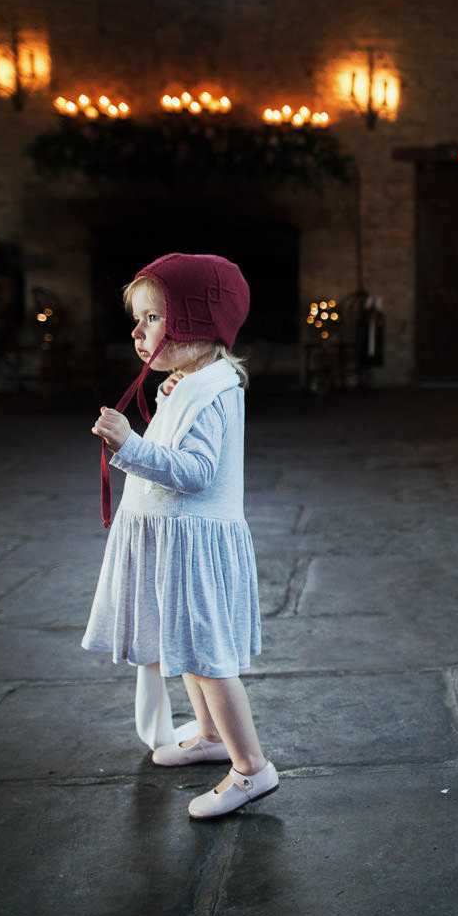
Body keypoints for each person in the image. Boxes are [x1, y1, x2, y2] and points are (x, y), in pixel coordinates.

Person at [84, 253, 277, 820]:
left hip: (193, 543)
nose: (138, 331)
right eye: (138, 319)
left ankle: (250, 767)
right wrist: (166, 403)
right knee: (186, 650)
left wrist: (130, 444)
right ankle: (213, 738)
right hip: (176, 542)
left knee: (207, 658)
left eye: (153, 318)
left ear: (196, 322)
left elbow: (193, 473)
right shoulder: (192, 383)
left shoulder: (213, 391)